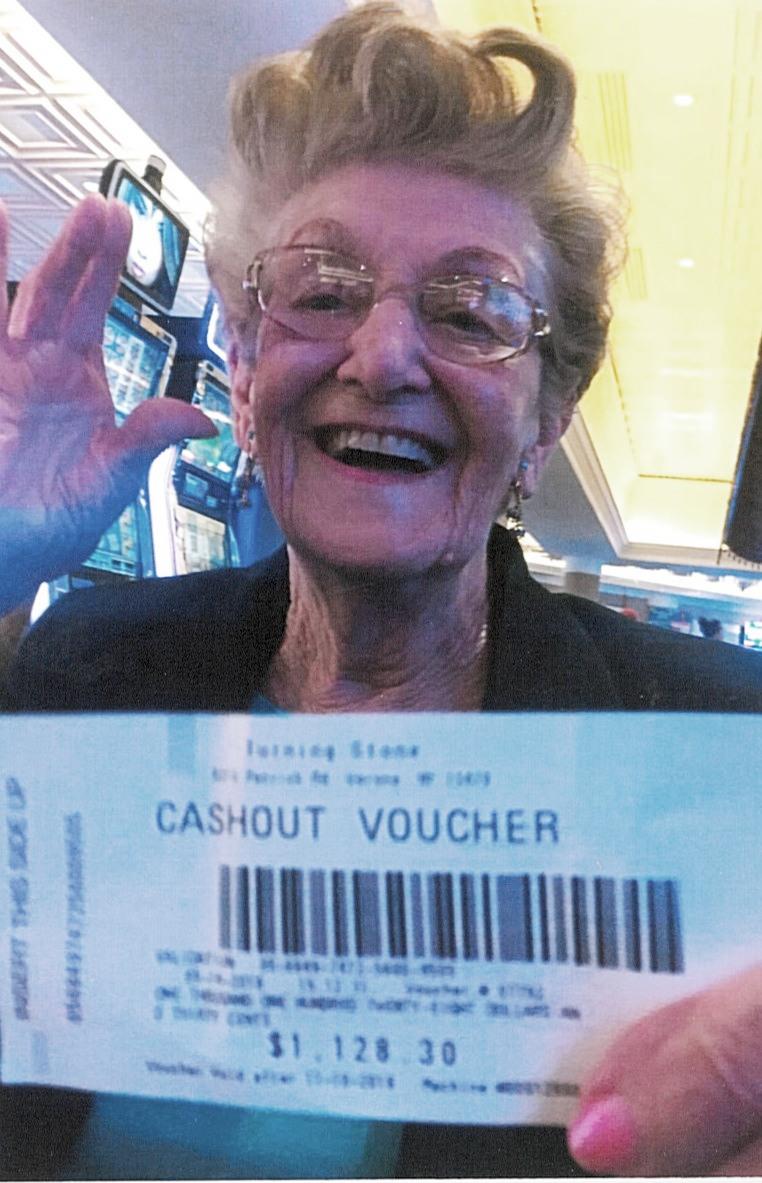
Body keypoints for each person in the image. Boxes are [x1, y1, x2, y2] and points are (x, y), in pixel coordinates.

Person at [2, 2, 762, 1176]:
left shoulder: (719, 751)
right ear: (244, 366)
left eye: (469, 313)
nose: (385, 356)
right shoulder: (82, 667)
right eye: (322, 292)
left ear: (549, 417)